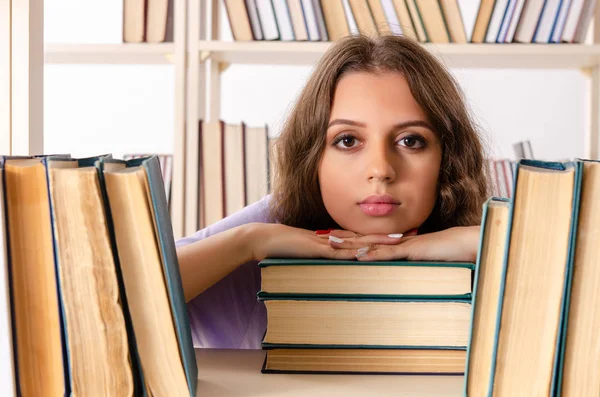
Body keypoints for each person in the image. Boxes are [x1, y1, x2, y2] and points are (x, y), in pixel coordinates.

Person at [176, 34, 489, 349]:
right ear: (314, 158)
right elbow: (131, 290)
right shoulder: (271, 223)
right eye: (348, 140)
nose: (380, 170)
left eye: (410, 140)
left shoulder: (483, 239)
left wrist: (482, 242)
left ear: (447, 157)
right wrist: (249, 242)